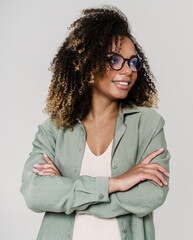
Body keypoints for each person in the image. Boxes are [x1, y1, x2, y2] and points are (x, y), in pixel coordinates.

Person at [20, 5, 170, 240]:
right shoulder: (53, 130)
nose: (128, 70)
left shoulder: (148, 124)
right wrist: (115, 184)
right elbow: (34, 193)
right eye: (115, 60)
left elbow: (152, 194)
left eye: (133, 62)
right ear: (88, 62)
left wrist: (67, 191)